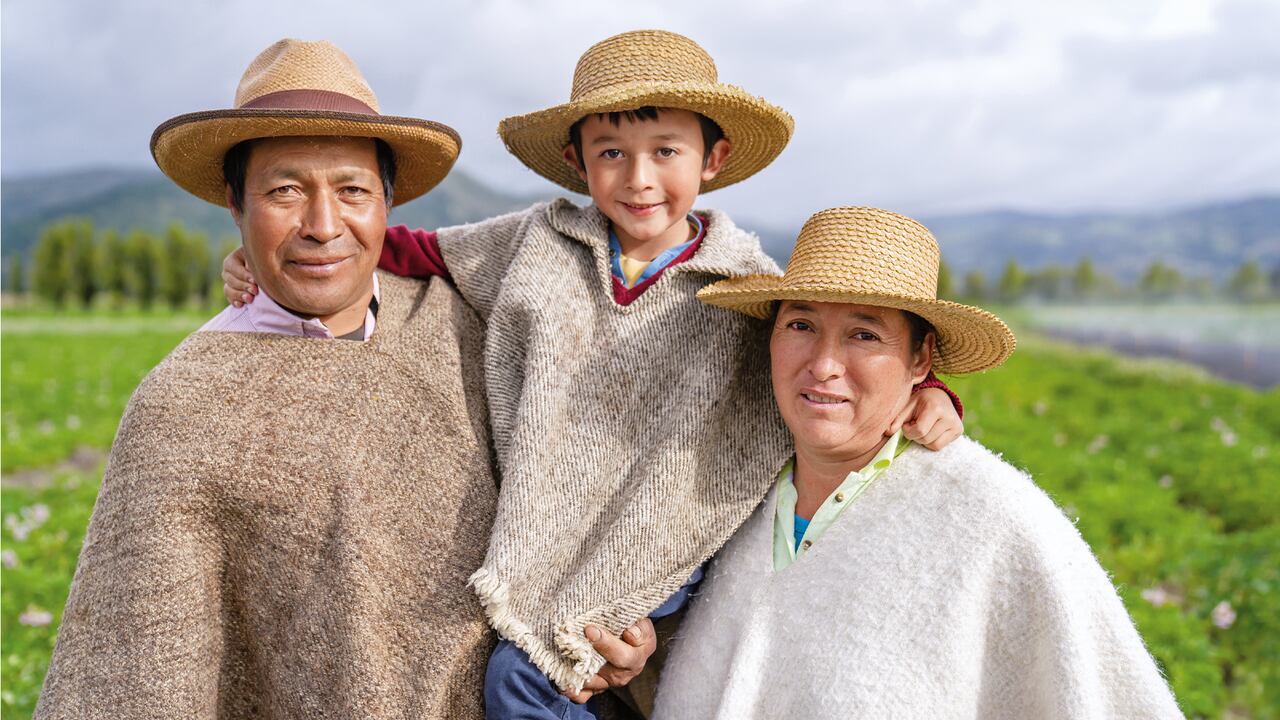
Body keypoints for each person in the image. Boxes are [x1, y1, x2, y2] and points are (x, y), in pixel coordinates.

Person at [222, 30, 967, 718]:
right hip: (551, 524)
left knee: (520, 676)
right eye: (611, 153)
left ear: (712, 160)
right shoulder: (537, 243)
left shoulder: (742, 283)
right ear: (578, 161)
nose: (639, 180)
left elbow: (823, 357)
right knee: (520, 665)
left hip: (665, 531)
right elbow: (415, 249)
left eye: (666, 152)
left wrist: (929, 395)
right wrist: (276, 258)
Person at [36, 38, 493, 719]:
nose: (322, 225)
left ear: (387, 206)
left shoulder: (459, 331)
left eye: (352, 190)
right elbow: (136, 668)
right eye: (284, 191)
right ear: (236, 203)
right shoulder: (184, 405)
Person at [652, 207, 1184, 719]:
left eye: (865, 335)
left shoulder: (996, 519)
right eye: (800, 325)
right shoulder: (730, 481)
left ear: (921, 360)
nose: (823, 365)